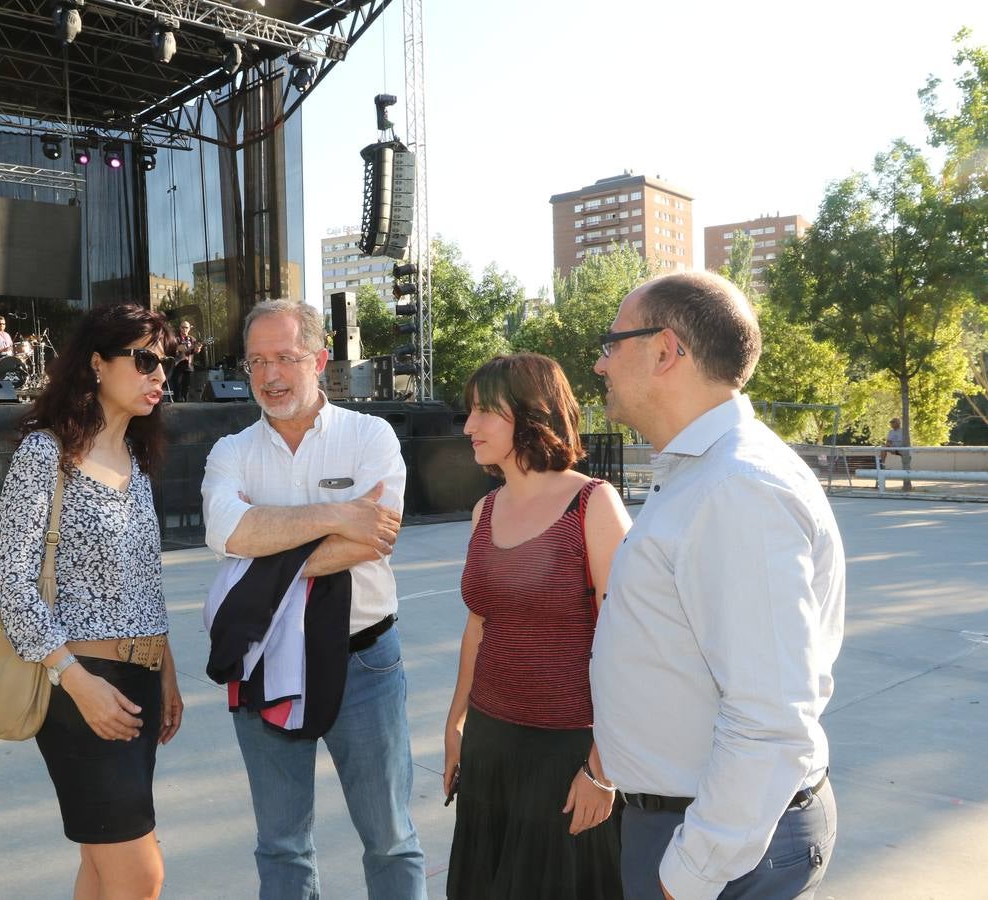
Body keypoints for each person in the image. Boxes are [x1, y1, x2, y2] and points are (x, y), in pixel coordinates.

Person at [589, 271, 844, 900]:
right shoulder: (706, 474)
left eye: (611, 342)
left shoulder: (736, 487)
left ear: (666, 350)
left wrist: (691, 874)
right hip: (699, 826)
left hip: (721, 845)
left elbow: (771, 715)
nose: (599, 364)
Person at [201, 298, 426, 900]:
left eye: (285, 358)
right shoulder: (232, 452)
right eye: (255, 362)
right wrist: (336, 515)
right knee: (281, 846)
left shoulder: (369, 435)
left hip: (365, 663)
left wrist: (265, 548)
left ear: (320, 360)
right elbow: (227, 534)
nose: (269, 376)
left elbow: (376, 538)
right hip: (263, 661)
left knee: (390, 839)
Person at [0, 302, 183, 900]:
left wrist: (166, 671)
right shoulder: (45, 455)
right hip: (81, 689)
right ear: (97, 364)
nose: (160, 375)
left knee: (102, 870)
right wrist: (74, 679)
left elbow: (145, 582)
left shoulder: (139, 466)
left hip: (141, 683)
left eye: (166, 363)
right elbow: (13, 586)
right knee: (139, 874)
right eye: (146, 359)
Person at [444, 353, 631, 900]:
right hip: (490, 744)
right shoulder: (485, 510)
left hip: (569, 754)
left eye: (485, 412)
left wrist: (603, 769)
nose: (469, 426)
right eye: (469, 412)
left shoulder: (593, 505)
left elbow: (629, 646)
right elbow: (479, 627)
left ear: (531, 414)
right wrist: (456, 725)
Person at [168, 320, 203, 402]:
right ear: (180, 328)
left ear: (189, 329)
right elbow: (169, 349)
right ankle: (176, 400)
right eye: (183, 327)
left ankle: (185, 400)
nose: (184, 329)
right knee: (176, 383)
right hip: (177, 364)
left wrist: (198, 349)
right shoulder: (175, 339)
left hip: (188, 365)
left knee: (186, 385)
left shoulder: (192, 339)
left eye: (186, 327)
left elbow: (194, 351)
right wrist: (176, 348)